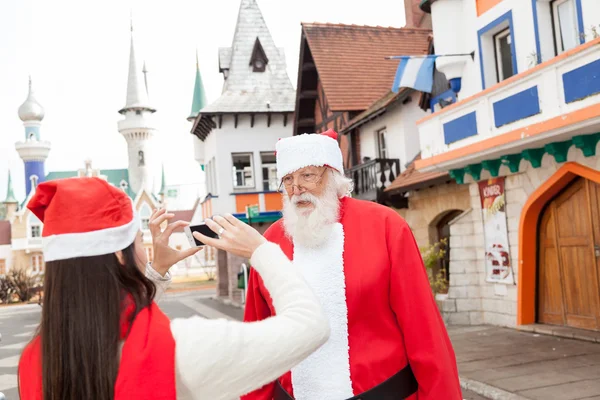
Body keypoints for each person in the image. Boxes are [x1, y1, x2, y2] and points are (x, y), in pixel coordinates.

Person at [17, 177, 330, 400]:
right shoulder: (181, 348)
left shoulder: (36, 359)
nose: (145, 250)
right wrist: (261, 250)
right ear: (117, 253)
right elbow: (310, 326)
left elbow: (111, 323)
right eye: (140, 240)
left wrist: (157, 271)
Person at [242, 130, 463, 400]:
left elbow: (423, 329)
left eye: (307, 176)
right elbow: (258, 338)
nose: (296, 188)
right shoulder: (271, 241)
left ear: (333, 175)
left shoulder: (385, 226)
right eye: (288, 179)